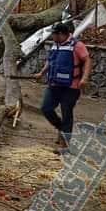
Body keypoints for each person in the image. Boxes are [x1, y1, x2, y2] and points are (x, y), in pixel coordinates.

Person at [35, 22, 92, 152]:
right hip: (54, 84)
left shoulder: (77, 45)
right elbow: (51, 61)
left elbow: (88, 60)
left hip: (71, 86)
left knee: (67, 112)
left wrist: (84, 78)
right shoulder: (56, 45)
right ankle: (61, 128)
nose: (52, 36)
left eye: (53, 34)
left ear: (60, 34)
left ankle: (65, 145)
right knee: (46, 108)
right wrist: (41, 73)